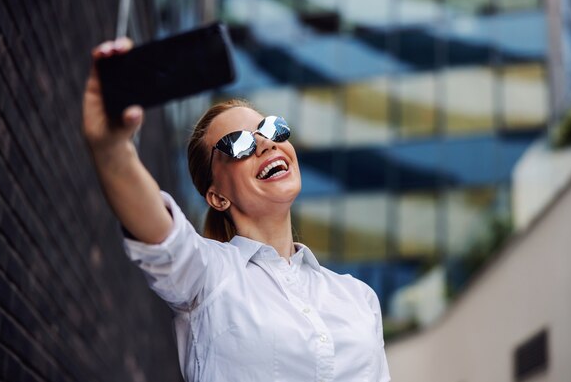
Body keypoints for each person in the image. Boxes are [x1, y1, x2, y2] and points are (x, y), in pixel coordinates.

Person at [83, 38, 391, 382]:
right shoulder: (207, 276)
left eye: (272, 128)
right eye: (239, 143)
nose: (265, 142)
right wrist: (110, 147)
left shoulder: (359, 298)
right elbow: (158, 231)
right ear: (217, 197)